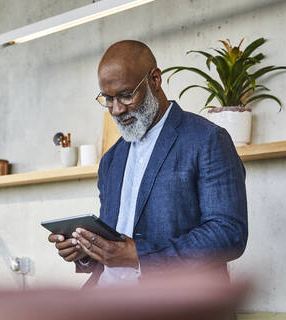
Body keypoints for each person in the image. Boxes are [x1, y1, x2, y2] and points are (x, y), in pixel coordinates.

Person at [48, 40, 248, 288]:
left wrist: (139, 257)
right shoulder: (111, 160)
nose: (117, 109)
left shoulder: (207, 139)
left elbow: (228, 234)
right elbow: (114, 243)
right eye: (108, 99)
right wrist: (88, 251)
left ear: (155, 80)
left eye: (126, 95)